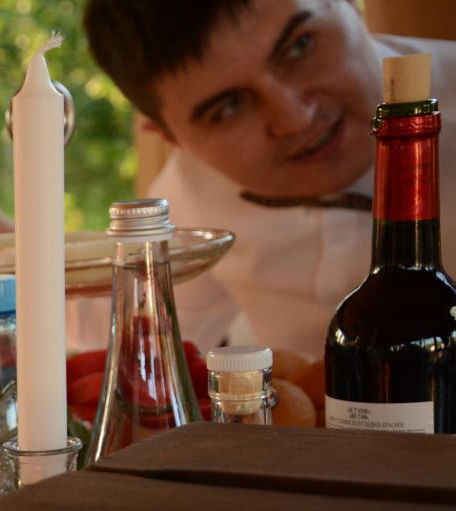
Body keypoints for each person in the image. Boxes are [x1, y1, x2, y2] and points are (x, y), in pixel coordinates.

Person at [78, 0, 456, 355]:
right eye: (229, 107)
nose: (296, 119)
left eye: (300, 46)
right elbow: (133, 333)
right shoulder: (190, 196)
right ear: (171, 137)